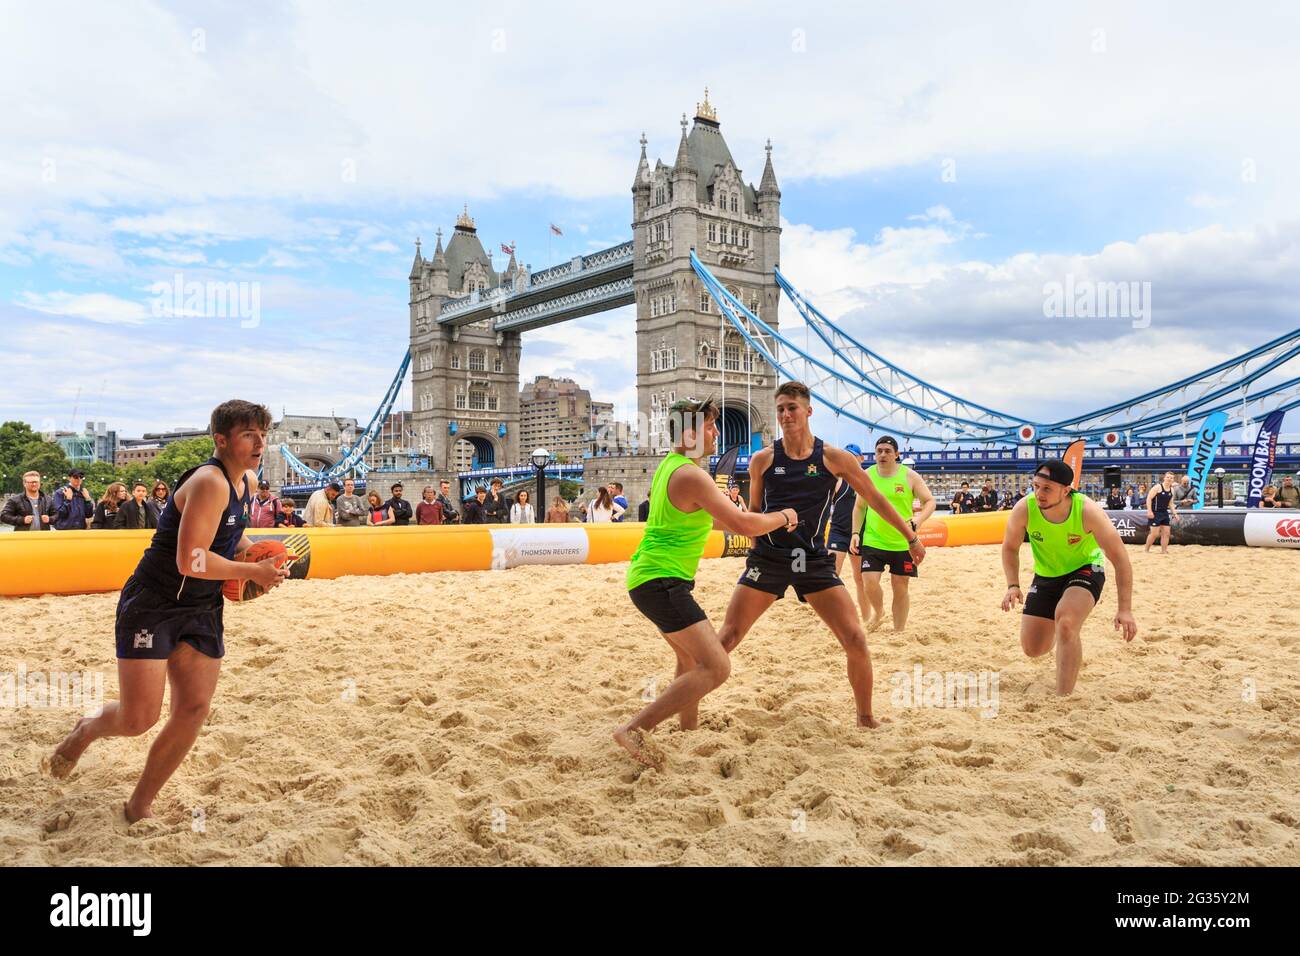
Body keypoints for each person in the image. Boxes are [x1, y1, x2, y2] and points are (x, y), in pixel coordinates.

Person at [49, 399, 287, 822]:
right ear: (221, 440)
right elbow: (190, 560)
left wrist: (259, 557)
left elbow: (228, 537)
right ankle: (85, 730)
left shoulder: (247, 482)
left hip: (201, 606)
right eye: (250, 434)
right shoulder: (209, 481)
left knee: (193, 709)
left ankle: (140, 803)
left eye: (263, 434)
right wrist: (253, 570)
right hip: (155, 603)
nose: (260, 443)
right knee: (138, 718)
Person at [717, 382, 926, 728]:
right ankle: (685, 711)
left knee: (856, 638)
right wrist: (752, 554)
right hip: (769, 557)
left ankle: (866, 719)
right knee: (728, 637)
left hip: (813, 559)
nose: (786, 415)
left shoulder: (834, 458)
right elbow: (753, 513)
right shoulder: (763, 459)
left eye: (792, 408)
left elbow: (875, 499)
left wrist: (911, 538)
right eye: (781, 409)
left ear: (809, 411)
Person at [614, 397, 799, 768]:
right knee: (717, 667)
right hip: (660, 581)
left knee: (689, 658)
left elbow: (710, 520)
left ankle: (689, 731)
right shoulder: (691, 474)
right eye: (710, 426)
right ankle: (634, 729)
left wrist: (733, 511)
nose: (717, 432)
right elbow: (745, 527)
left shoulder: (672, 466)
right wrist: (783, 516)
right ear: (689, 433)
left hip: (652, 578)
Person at [1000, 458, 1137, 696]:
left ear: (1066, 491)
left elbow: (1121, 559)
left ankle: (1063, 698)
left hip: (1085, 568)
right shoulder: (1024, 508)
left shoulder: (1088, 512)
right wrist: (1013, 585)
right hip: (1046, 575)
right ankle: (1064, 638)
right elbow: (1009, 547)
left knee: (1066, 622)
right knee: (1033, 649)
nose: (1039, 494)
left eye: (1047, 489)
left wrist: (1125, 609)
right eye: (1035, 486)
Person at [849, 435, 936, 632]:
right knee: (869, 582)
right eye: (879, 451)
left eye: (888, 451)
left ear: (897, 454)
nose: (883, 454)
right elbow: (859, 507)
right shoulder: (867, 475)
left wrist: (918, 520)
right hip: (873, 539)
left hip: (902, 542)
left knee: (900, 586)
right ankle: (879, 612)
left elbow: (930, 502)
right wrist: (855, 533)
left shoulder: (909, 476)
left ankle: (899, 630)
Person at [824, 443, 867, 615]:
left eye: (852, 456)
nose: (848, 459)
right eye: (846, 455)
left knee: (860, 578)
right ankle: (830, 613)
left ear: (861, 458)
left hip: (860, 533)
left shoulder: (867, 479)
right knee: (831, 575)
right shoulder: (838, 480)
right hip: (838, 532)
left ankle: (866, 614)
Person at [1143, 471, 1178, 554]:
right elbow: (1148, 499)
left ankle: (1164, 551)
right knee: (1154, 534)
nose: (1169, 479)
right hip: (1155, 513)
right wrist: (1149, 511)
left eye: (1171, 478)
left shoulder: (1172, 490)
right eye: (1168, 477)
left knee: (1166, 533)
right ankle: (1146, 550)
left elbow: (1170, 503)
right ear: (1164, 478)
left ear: (1173, 480)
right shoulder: (1157, 487)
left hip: (1164, 513)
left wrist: (1175, 514)